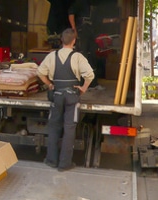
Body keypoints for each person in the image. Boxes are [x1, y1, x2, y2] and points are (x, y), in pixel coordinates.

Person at [37, 28, 94, 171]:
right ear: (74, 41)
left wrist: (49, 84)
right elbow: (90, 75)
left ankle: (51, 160)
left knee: (54, 126)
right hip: (71, 96)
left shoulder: (51, 56)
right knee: (69, 128)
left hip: (56, 95)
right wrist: (83, 88)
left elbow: (40, 73)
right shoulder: (78, 57)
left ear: (61, 40)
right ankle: (65, 164)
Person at [68, 0, 104, 90]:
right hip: (82, 29)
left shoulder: (95, 4)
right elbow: (71, 13)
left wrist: (113, 20)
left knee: (93, 55)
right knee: (82, 55)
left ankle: (93, 84)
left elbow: (100, 20)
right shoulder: (79, 2)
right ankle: (82, 83)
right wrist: (74, 29)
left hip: (91, 31)